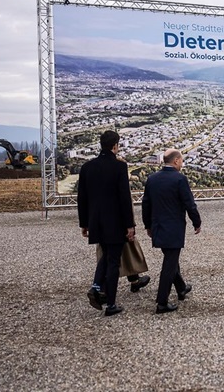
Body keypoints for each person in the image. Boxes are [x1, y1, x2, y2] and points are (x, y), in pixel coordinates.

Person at [78, 130, 136, 316]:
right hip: (116, 222)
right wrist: (130, 225)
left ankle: (96, 288)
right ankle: (110, 303)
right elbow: (124, 198)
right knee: (113, 262)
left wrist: (84, 223)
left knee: (106, 256)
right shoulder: (119, 167)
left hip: (96, 221)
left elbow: (82, 199)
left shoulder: (87, 167)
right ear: (115, 146)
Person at [142, 149, 202, 314]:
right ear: (176, 161)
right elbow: (189, 203)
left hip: (157, 227)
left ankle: (181, 288)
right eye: (181, 160)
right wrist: (196, 222)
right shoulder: (179, 179)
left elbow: (146, 204)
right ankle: (162, 301)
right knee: (169, 263)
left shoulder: (152, 179)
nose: (182, 163)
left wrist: (147, 225)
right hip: (174, 227)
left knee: (170, 258)